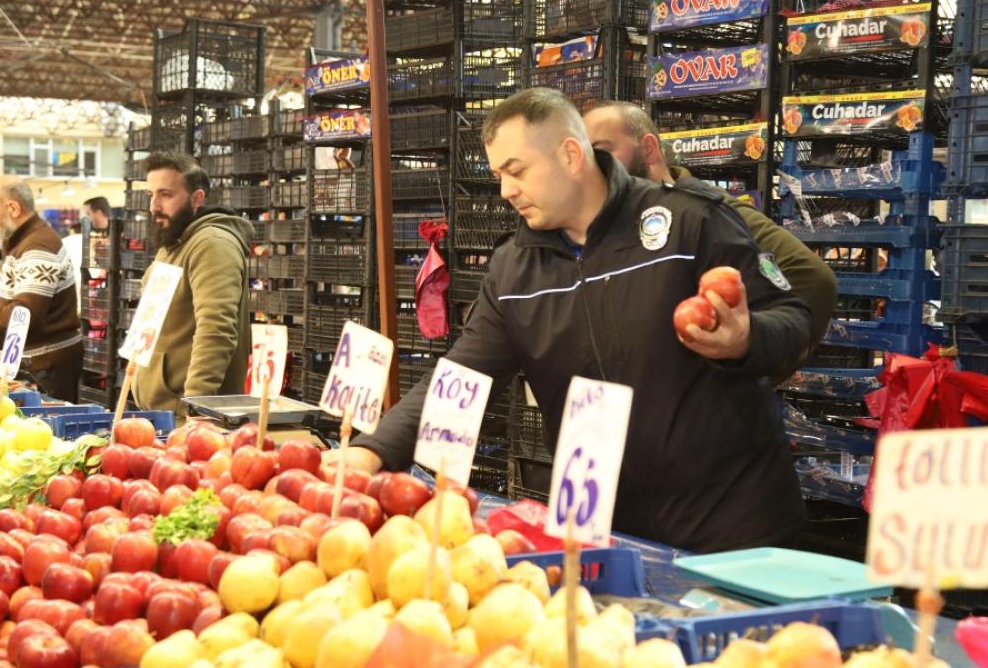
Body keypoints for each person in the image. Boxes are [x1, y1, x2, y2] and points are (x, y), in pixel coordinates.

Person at [339, 88, 812, 552]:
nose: (506, 191)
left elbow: (794, 316)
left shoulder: (689, 222)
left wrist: (746, 341)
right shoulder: (513, 270)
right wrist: (373, 450)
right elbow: (462, 376)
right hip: (615, 535)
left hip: (737, 529)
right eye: (499, 175)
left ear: (570, 155)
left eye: (516, 171)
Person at [583, 101, 838, 379]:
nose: (594, 166)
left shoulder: (708, 213)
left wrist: (752, 364)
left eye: (602, 151)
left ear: (648, 149)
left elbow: (813, 278)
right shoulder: (617, 219)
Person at [132, 153, 254, 417]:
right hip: (157, 414)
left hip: (186, 420)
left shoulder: (212, 245)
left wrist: (196, 409)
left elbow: (216, 329)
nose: (154, 205)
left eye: (165, 194)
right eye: (150, 195)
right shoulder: (173, 242)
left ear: (196, 198)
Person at [0, 177, 82, 401]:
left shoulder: (38, 247)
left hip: (47, 367)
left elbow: (23, 314)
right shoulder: (25, 241)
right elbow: (11, 289)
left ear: (13, 208)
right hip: (37, 363)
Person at [63, 196, 112, 309]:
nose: (86, 219)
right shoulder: (98, 236)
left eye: (88, 214)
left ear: (99, 213)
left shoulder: (117, 235)